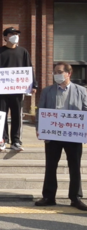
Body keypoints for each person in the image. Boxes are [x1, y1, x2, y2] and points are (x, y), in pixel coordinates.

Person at [34, 62, 87, 211]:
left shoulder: (81, 91)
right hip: (53, 134)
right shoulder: (47, 91)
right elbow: (41, 111)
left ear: (68, 73)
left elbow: (85, 110)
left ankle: (75, 197)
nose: (55, 74)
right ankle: (49, 197)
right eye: (55, 72)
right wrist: (39, 128)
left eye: (59, 72)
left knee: (74, 166)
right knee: (51, 166)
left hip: (73, 135)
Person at [0, 27, 38, 152]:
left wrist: (34, 84)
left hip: (17, 90)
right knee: (1, 115)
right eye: (11, 34)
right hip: (1, 90)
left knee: (17, 116)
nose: (15, 36)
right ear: (5, 37)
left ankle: (16, 141)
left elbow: (29, 69)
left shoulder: (23, 51)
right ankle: (2, 140)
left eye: (16, 34)